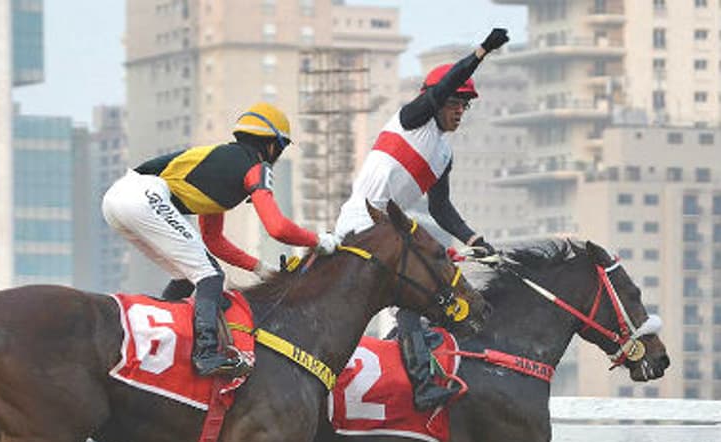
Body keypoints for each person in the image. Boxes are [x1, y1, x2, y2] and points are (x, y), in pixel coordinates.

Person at [335, 27, 509, 410]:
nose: (460, 111)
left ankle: (413, 365)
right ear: (437, 101)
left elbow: (440, 209)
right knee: (422, 282)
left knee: (427, 293)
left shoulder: (444, 156)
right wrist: (482, 51)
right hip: (360, 227)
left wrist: (475, 240)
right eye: (456, 103)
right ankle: (414, 366)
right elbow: (445, 85)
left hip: (389, 237)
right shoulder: (411, 120)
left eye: (466, 105)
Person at [103, 102, 340, 378]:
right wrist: (318, 241)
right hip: (142, 197)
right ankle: (206, 354)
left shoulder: (225, 164)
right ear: (273, 146)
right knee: (210, 276)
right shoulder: (255, 165)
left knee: (188, 275)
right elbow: (277, 227)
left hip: (118, 201)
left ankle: (160, 336)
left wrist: (260, 268)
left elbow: (213, 240)